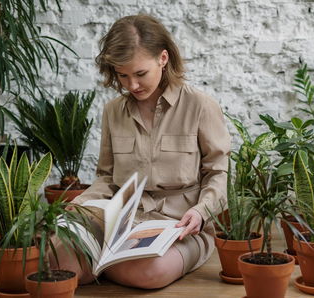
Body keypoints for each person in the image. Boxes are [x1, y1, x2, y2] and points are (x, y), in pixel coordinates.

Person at [54, 14, 231, 289]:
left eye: (140, 74)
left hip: (180, 228)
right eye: (122, 75)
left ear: (163, 59)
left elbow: (218, 172)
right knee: (57, 256)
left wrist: (200, 212)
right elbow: (106, 177)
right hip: (121, 222)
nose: (132, 85)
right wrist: (80, 204)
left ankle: (97, 265)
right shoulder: (113, 111)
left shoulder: (200, 106)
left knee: (149, 272)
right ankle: (103, 262)